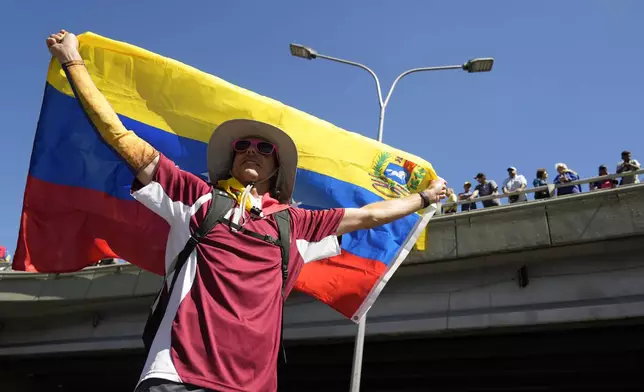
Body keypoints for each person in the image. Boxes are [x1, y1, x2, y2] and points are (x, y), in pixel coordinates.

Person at [46, 30, 447, 392]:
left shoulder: (295, 222)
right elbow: (120, 137)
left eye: (264, 148)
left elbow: (369, 216)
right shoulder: (197, 197)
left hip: (254, 386)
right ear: (231, 161)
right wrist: (72, 61)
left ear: (277, 168)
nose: (252, 150)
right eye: (243, 147)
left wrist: (424, 198)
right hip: (176, 376)